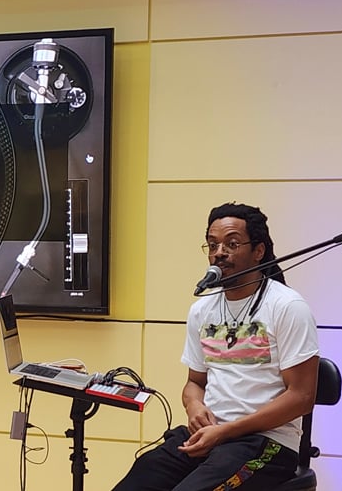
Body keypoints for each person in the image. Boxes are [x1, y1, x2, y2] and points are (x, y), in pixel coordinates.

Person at [113, 202, 320, 491]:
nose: (219, 252)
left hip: (265, 443)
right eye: (212, 244)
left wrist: (225, 431)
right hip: (210, 436)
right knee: (137, 481)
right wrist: (195, 405)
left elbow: (301, 396)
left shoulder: (287, 306)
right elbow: (194, 383)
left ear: (258, 250)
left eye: (231, 244)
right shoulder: (203, 310)